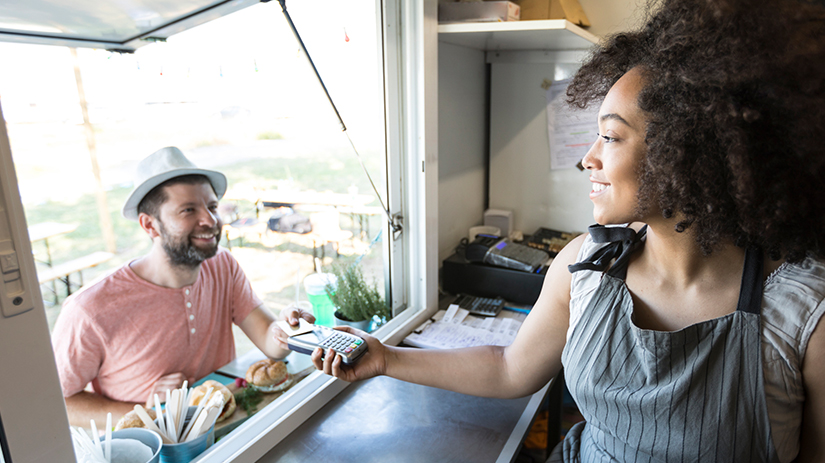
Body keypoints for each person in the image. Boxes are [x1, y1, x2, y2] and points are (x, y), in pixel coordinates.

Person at [306, 0, 825, 461]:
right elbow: (510, 369)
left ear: (688, 153)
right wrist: (385, 358)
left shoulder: (804, 313)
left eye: (610, 137)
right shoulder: (586, 265)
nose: (588, 158)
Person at [52, 146, 315, 427]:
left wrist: (289, 329)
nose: (210, 221)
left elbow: (269, 341)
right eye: (188, 210)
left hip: (226, 428)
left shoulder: (222, 265)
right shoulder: (89, 308)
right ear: (150, 226)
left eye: (212, 207)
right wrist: (147, 413)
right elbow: (58, 403)